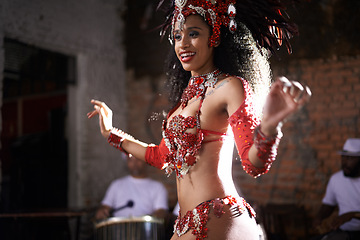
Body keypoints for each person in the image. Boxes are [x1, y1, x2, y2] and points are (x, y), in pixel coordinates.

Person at [87, 0, 311, 239]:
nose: (183, 43)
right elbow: (160, 157)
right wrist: (111, 133)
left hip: (218, 216)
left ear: (214, 37)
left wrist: (270, 125)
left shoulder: (230, 87)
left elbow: (253, 163)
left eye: (193, 34)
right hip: (186, 222)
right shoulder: (180, 106)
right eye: (177, 36)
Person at [95, 154, 168, 220]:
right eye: (130, 160)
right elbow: (105, 206)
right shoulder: (116, 184)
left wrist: (159, 215)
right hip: (118, 230)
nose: (134, 163)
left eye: (138, 159)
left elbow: (161, 211)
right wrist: (102, 211)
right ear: (126, 162)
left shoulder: (158, 187)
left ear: (146, 161)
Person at [312, 138, 360, 240]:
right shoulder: (336, 179)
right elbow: (329, 204)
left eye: (350, 158)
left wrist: (352, 215)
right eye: (344, 157)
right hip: (343, 231)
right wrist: (319, 217)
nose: (345, 163)